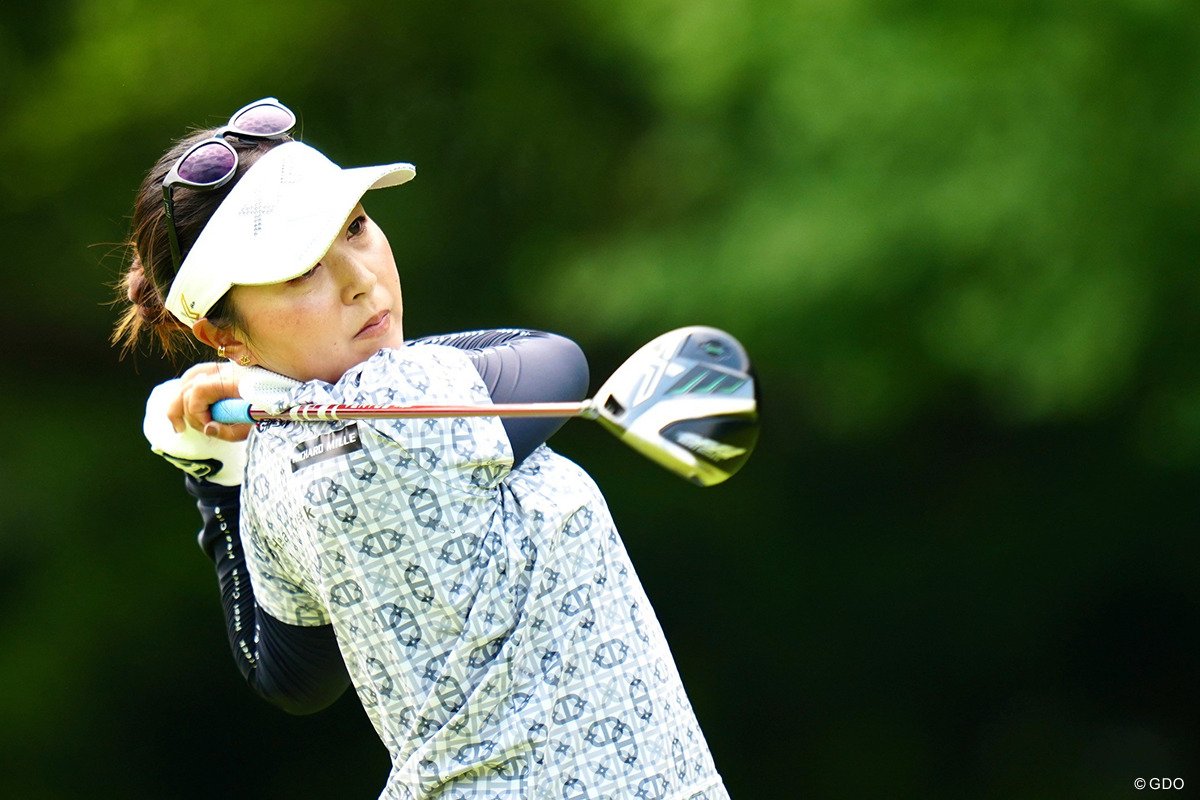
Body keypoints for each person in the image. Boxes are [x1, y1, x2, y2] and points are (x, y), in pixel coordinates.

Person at [115, 97, 728, 800]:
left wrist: (217, 475)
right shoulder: (397, 404)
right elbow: (557, 360)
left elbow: (289, 675)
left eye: (355, 227)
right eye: (300, 269)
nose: (359, 279)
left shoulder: (277, 464)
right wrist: (270, 410)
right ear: (221, 333)